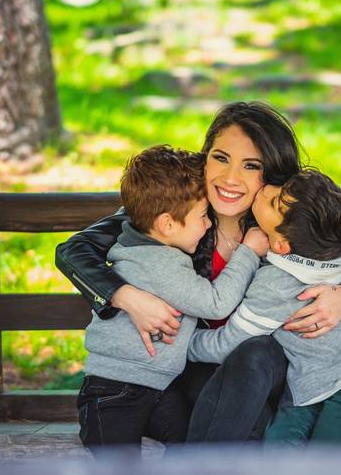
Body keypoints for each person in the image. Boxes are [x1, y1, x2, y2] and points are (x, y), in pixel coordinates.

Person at [55, 101, 341, 442]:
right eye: (221, 157)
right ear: (205, 157)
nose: (230, 178)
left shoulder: (282, 221)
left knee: (256, 352)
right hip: (186, 369)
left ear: (271, 172)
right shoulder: (175, 209)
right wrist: (127, 297)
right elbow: (73, 251)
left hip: (266, 369)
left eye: (251, 165)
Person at [188, 169, 341, 446]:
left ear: (280, 245)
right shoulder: (334, 244)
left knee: (325, 467)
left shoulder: (276, 285)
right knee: (279, 458)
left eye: (273, 202)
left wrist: (182, 342)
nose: (266, 189)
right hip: (306, 388)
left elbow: (225, 345)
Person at [76, 145, 268, 452]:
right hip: (115, 393)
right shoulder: (160, 263)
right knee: (118, 473)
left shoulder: (148, 248)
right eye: (203, 216)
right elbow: (215, 303)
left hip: (158, 389)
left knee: (192, 446)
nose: (208, 225)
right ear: (167, 224)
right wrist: (247, 252)